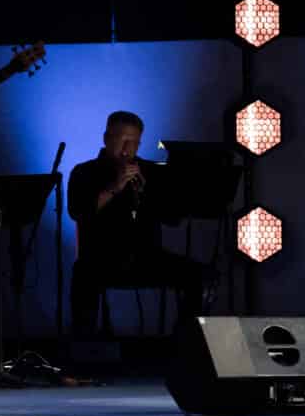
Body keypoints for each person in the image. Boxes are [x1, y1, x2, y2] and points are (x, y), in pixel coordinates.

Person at [66, 110, 209, 336]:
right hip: (101, 258)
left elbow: (173, 219)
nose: (127, 149)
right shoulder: (84, 172)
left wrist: (150, 192)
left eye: (134, 143)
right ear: (106, 138)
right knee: (83, 274)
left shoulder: (150, 171)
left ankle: (184, 342)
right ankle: (84, 347)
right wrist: (115, 186)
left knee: (200, 276)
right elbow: (78, 211)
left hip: (147, 256)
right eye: (122, 140)